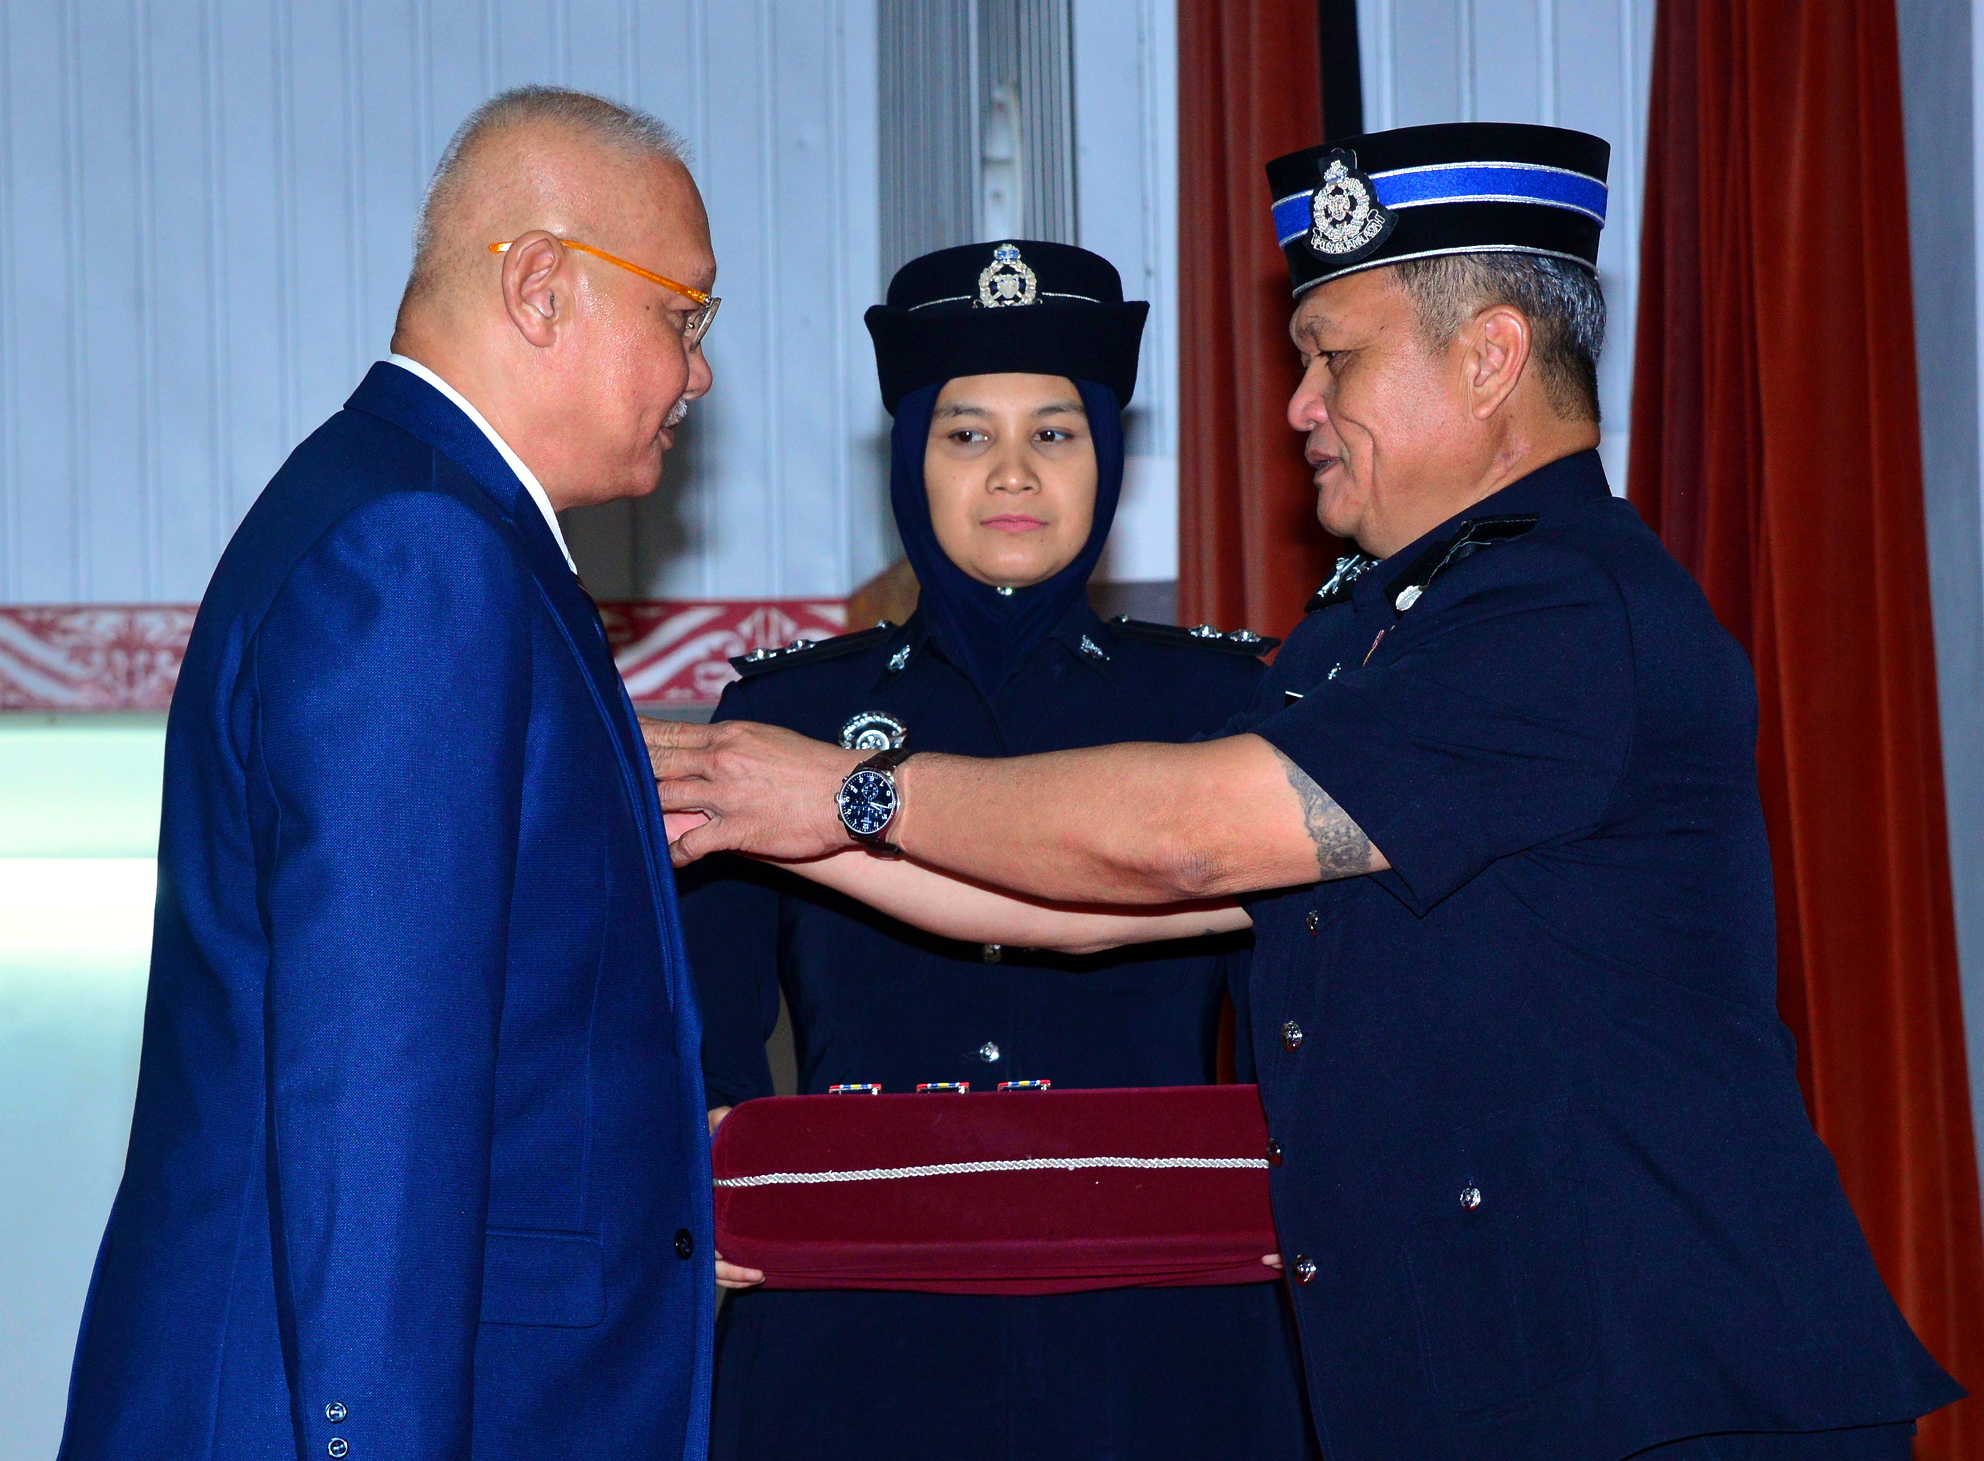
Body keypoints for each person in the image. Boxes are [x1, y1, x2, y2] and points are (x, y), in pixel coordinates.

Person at [647, 123, 1963, 1457]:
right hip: (1498, 1370)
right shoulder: (1375, 631)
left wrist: (856, 794)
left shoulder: (1563, 612)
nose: (1298, 406)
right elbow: (1099, 911)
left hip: (1664, 1382)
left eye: (1335, 358)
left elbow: (1181, 842)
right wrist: (765, 808)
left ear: (1491, 356)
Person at [61, 87, 720, 1461]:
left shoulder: (407, 512)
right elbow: (378, 1083)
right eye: (684, 316)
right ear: (541, 288)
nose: (697, 373)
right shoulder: (424, 551)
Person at [679, 240, 1316, 1461]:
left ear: (1108, 458)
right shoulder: (789, 721)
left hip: (1159, 1319)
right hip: (855, 1316)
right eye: (966, 434)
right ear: (909, 461)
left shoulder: (1216, 712)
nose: (1013, 472)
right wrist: (707, 1189)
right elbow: (701, 1034)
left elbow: (1295, 1027)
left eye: (1055, 434)